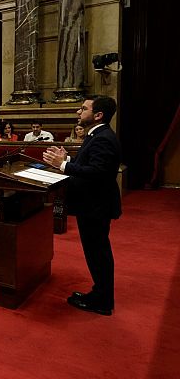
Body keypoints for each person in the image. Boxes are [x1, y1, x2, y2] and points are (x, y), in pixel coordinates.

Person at [42, 96, 121, 316]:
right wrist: (68, 160)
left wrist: (63, 165)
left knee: (98, 253)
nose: (79, 112)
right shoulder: (96, 134)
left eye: (83, 108)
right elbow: (88, 164)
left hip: (96, 205)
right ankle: (100, 293)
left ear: (98, 115)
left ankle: (103, 301)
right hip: (92, 204)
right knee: (96, 252)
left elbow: (97, 173)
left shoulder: (102, 138)